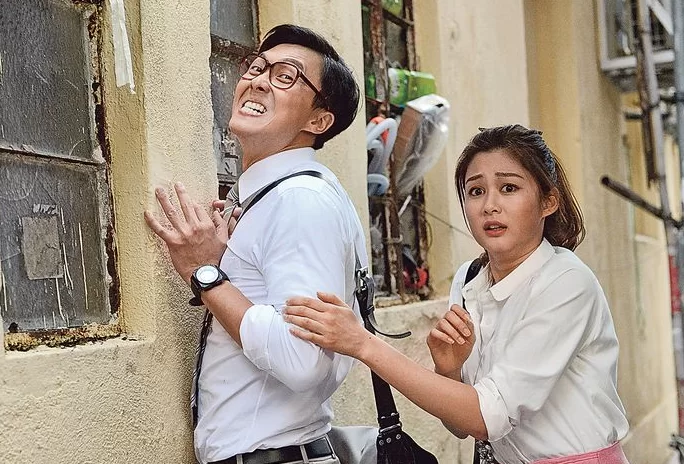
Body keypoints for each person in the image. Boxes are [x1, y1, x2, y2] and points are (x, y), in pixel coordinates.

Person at [283, 125, 630, 464]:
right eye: (476, 191)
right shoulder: (470, 279)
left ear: (548, 201)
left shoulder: (566, 282)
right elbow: (462, 426)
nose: (489, 205)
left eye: (509, 188)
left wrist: (363, 344)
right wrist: (448, 371)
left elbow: (487, 418)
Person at [144, 24, 366, 464]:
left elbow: (303, 360)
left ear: (318, 121)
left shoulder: (300, 200)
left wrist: (206, 274)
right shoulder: (275, 196)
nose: (259, 80)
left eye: (286, 76)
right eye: (258, 66)